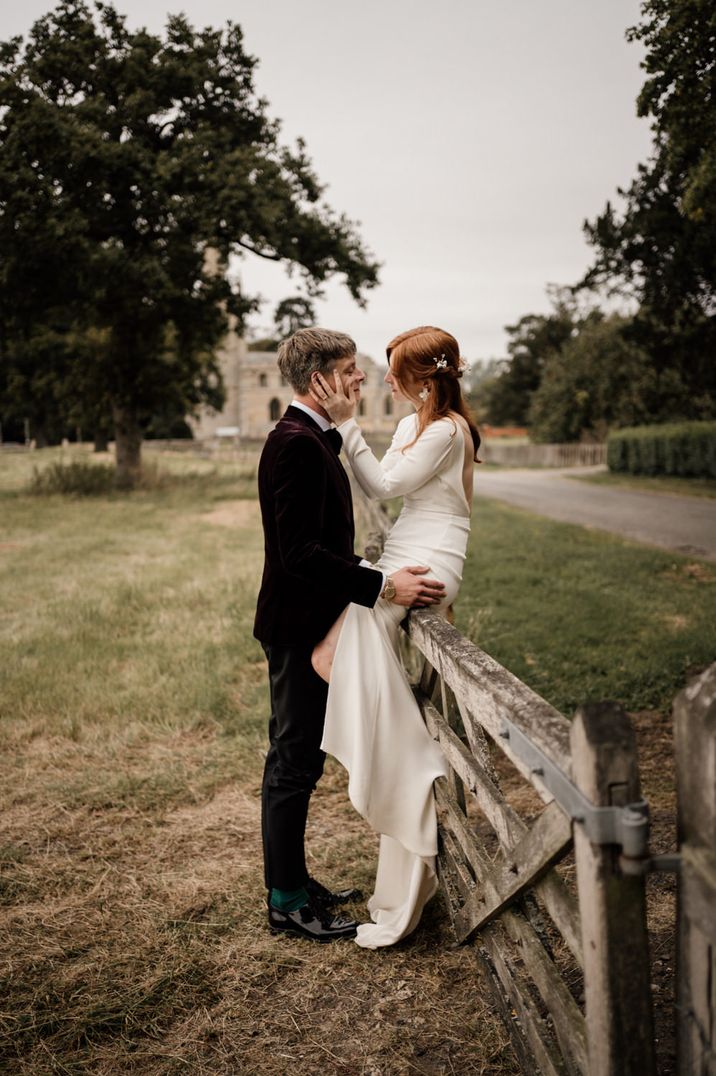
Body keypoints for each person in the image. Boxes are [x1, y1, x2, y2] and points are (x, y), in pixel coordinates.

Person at [253, 327, 447, 943]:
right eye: (350, 369)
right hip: (297, 627)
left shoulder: (316, 437)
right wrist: (384, 586)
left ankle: (294, 880)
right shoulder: (296, 444)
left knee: (299, 758)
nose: (361, 379)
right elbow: (300, 554)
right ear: (320, 380)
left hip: (313, 619)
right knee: (292, 762)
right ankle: (286, 902)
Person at [308, 325, 480, 949]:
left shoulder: (446, 430)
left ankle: (399, 759)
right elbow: (385, 479)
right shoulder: (414, 425)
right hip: (405, 546)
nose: (382, 380)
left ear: (424, 377)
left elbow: (381, 485)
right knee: (338, 649)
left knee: (335, 650)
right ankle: (394, 749)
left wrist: (342, 423)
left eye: (393, 371)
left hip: (432, 558)